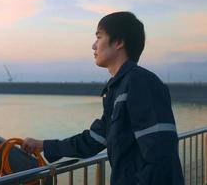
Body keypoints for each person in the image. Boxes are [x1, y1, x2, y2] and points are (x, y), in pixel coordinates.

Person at [21, 11, 184, 185]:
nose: (93, 45)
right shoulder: (118, 87)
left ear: (119, 42)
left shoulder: (141, 82)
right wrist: (43, 145)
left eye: (99, 37)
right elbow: (93, 139)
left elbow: (160, 155)